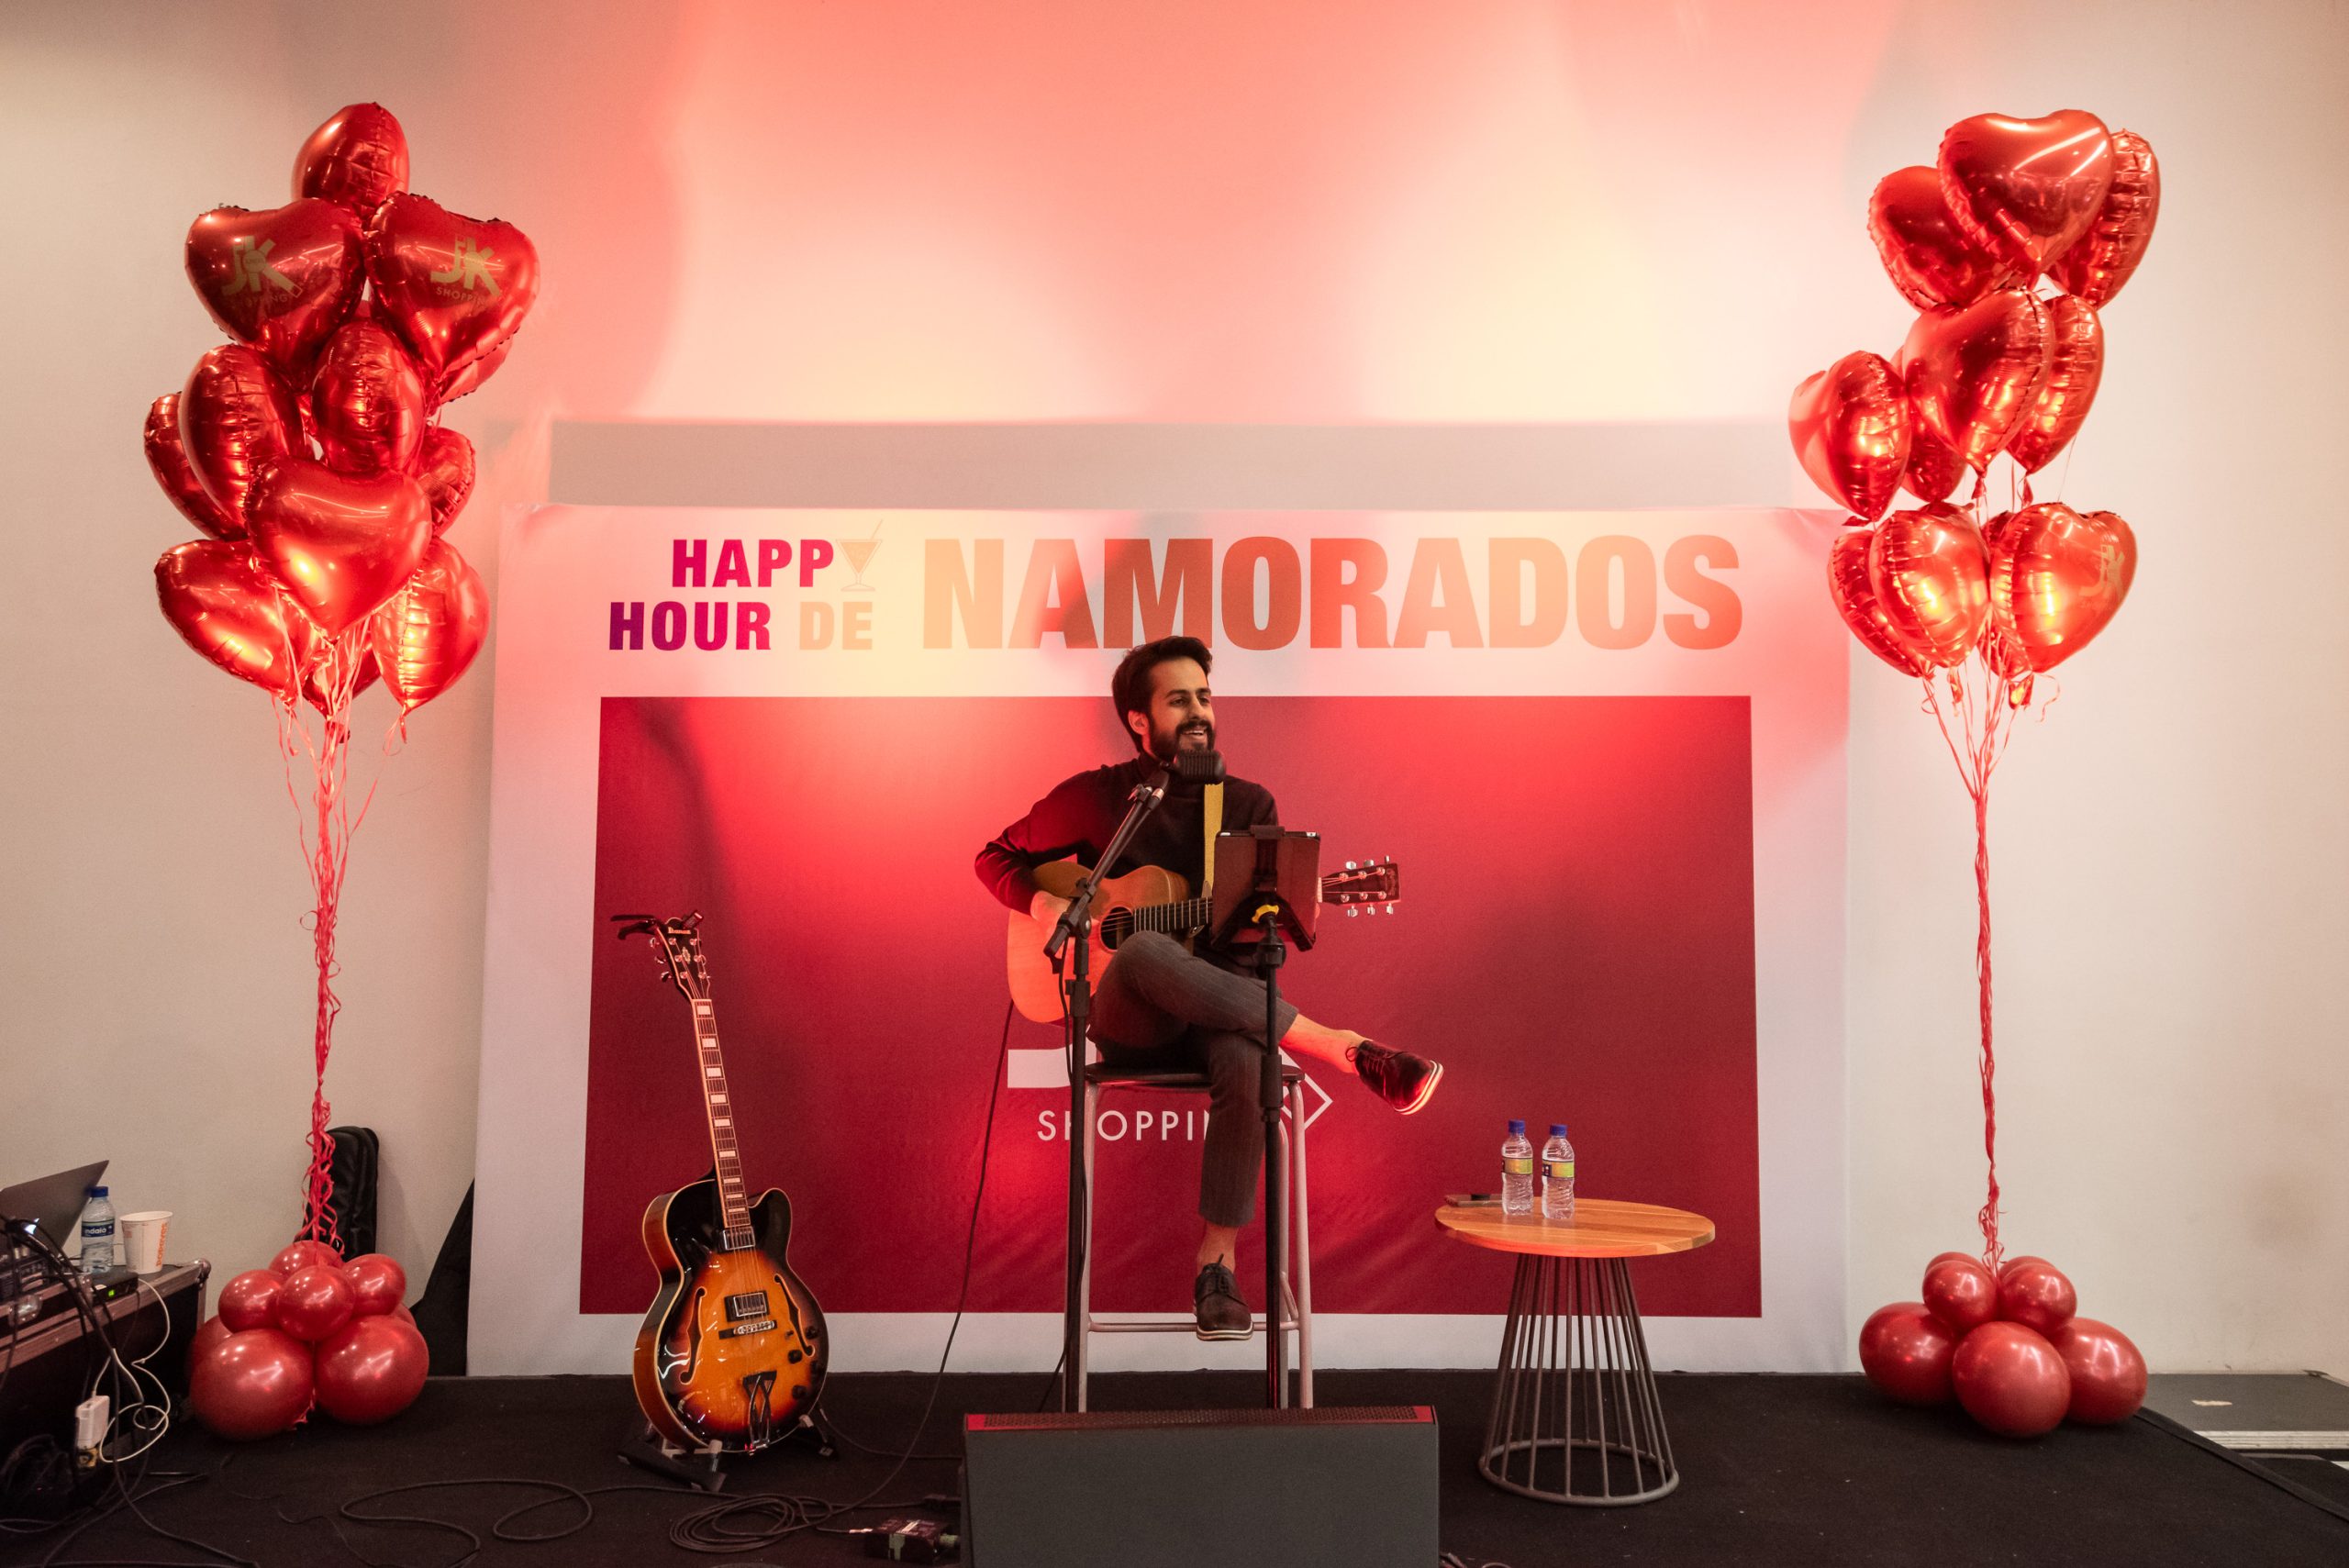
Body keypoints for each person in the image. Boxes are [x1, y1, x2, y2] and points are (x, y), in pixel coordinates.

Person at [975, 635, 1443, 1340]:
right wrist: (1045, 905)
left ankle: (1216, 1266)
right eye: (1179, 699)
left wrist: (1267, 912)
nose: (1199, 711)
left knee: (1249, 1057)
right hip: (1130, 1018)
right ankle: (1339, 1046)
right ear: (1139, 720)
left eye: (1204, 696)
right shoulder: (1097, 797)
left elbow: (1261, 943)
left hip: (1220, 1007)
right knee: (1142, 949)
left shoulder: (1248, 803)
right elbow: (995, 856)